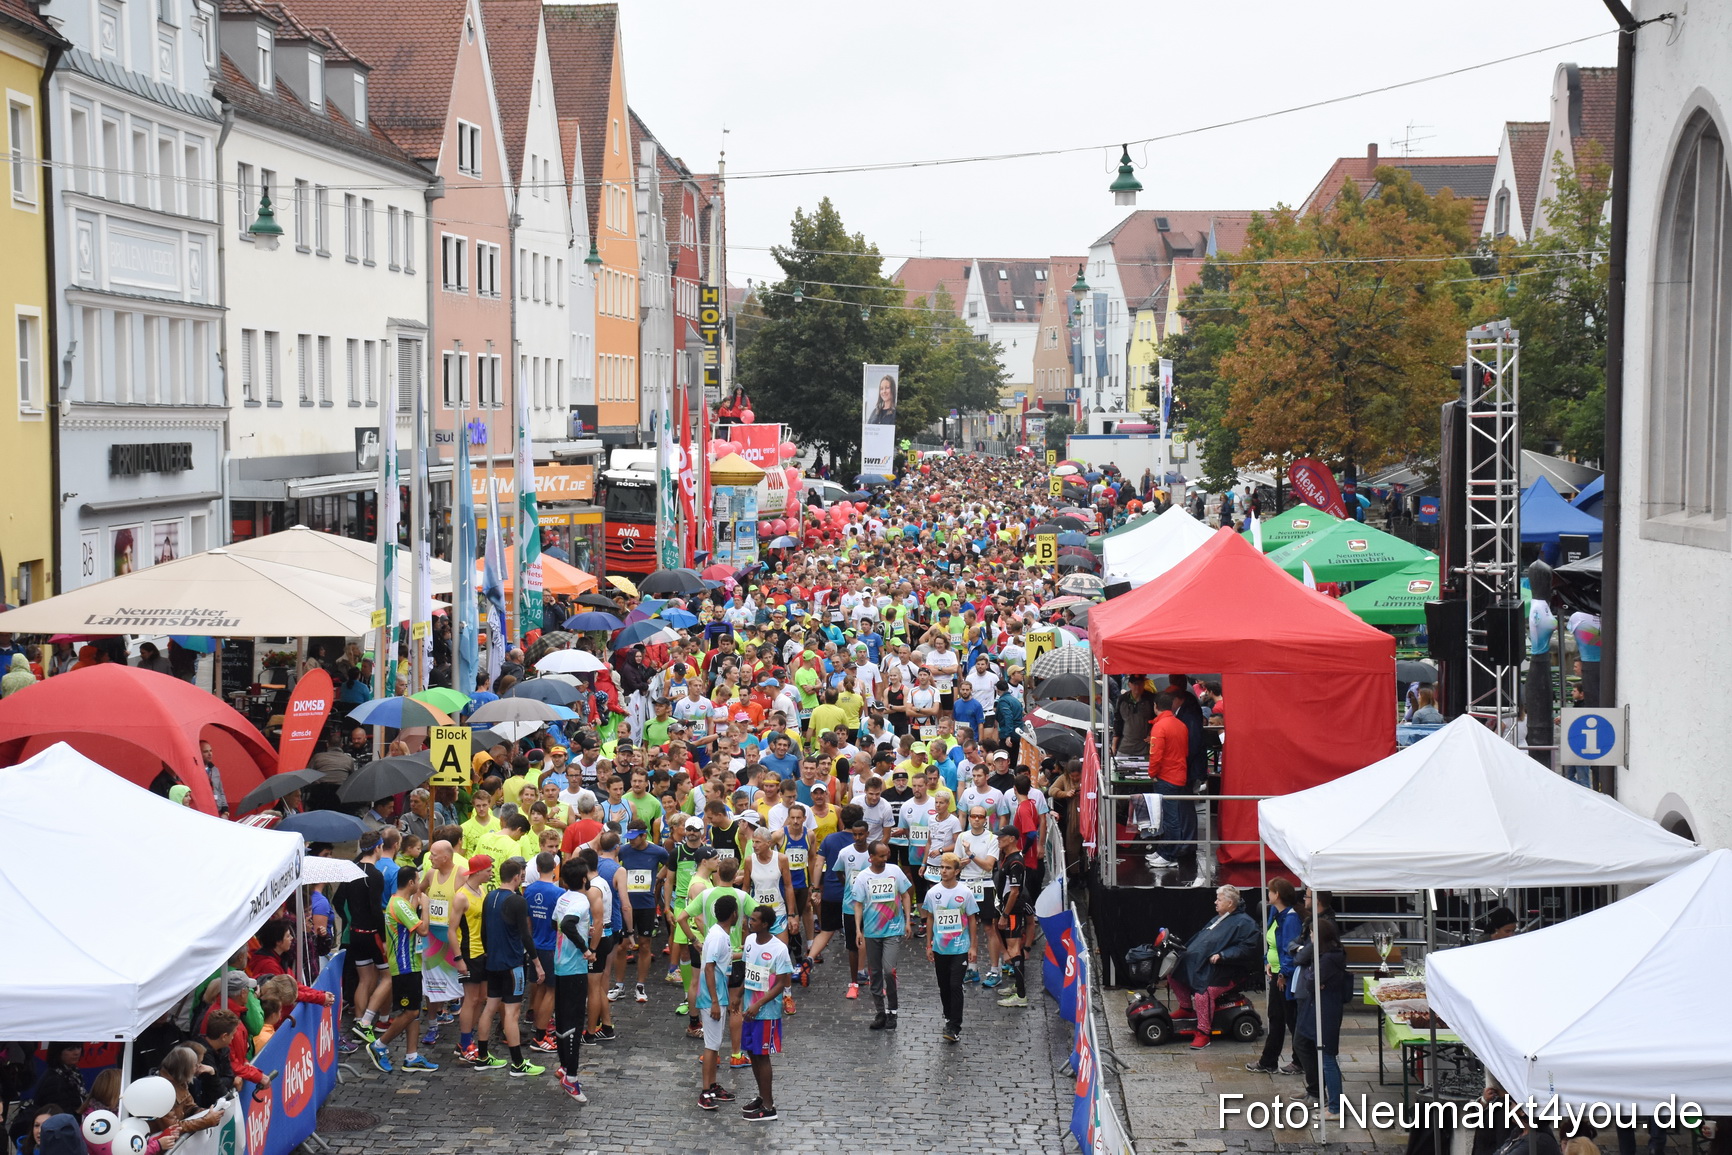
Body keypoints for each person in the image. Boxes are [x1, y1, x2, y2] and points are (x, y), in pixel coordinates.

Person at [475, 856, 545, 1075]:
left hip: (493, 962)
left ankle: (483, 1056)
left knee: (490, 1008)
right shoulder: (517, 901)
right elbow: (525, 935)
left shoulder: (489, 897)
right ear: (516, 877)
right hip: (513, 965)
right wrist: (537, 963)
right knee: (513, 1013)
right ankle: (517, 1063)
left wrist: (490, 951)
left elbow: (484, 931)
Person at [1169, 884, 1260, 1049]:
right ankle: (1186, 1008)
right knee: (1174, 973)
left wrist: (1223, 955)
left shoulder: (1246, 924)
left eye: (1219, 899)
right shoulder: (1220, 918)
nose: (1215, 902)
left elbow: (1247, 949)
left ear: (1230, 903)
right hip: (1206, 962)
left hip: (1229, 969)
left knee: (1203, 993)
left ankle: (1203, 1032)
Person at [367, 865, 438, 1072]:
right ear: (410, 883)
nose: (419, 884)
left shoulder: (399, 902)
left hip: (409, 964)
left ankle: (411, 1056)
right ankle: (379, 1045)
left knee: (413, 1013)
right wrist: (425, 905)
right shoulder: (400, 905)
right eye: (417, 880)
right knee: (411, 1012)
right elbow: (423, 930)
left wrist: (417, 900)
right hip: (405, 965)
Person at [551, 856, 602, 1103]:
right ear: (583, 879)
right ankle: (571, 1078)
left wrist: (584, 928)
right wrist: (586, 949)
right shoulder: (582, 901)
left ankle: (562, 1066)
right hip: (574, 969)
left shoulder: (563, 897)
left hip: (560, 966)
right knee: (573, 1023)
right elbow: (568, 925)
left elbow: (556, 924)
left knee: (561, 1020)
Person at [850, 839, 913, 1031]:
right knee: (874, 973)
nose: (885, 858)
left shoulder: (895, 871)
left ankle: (892, 1011)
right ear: (871, 857)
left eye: (887, 854)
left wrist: (908, 920)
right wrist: (858, 930)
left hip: (893, 929)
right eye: (881, 855)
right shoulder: (862, 877)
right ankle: (880, 1012)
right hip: (872, 931)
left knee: (889, 970)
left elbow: (905, 894)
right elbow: (858, 904)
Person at [737, 906, 793, 1122]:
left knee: (762, 1056)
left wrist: (758, 1004)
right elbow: (749, 971)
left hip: (766, 1012)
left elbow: (781, 984)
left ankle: (769, 1107)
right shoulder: (750, 941)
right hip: (749, 1010)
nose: (750, 922)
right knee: (752, 1053)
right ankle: (762, 1096)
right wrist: (739, 995)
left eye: (754, 920)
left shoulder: (779, 949)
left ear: (765, 924)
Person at [1293, 913, 1347, 1121]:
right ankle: (1318, 1093)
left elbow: (1310, 980)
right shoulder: (1326, 955)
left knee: (1327, 1058)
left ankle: (1334, 1107)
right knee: (1305, 1044)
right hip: (1317, 1006)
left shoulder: (1329, 957)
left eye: (1314, 933)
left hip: (1325, 1010)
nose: (1311, 936)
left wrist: (1312, 976)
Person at [1246, 877, 1303, 1075]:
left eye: (1270, 891)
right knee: (1276, 1017)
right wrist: (1266, 961)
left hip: (1284, 977)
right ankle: (1268, 1060)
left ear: (1277, 894)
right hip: (1275, 972)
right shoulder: (1275, 913)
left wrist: (1284, 974)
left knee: (1291, 1019)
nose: (1267, 894)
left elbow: (1290, 948)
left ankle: (1300, 1060)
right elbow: (1272, 943)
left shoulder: (1291, 918)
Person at [922, 851, 978, 1043]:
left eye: (947, 868)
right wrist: (929, 944)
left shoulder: (965, 893)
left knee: (955, 985)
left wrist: (973, 947)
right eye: (942, 867)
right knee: (943, 985)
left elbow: (972, 919)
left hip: (960, 947)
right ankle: (948, 1016)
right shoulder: (932, 893)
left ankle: (955, 1025)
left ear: (956, 871)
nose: (943, 871)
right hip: (940, 948)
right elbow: (930, 918)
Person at [695, 894, 740, 1113]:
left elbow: (722, 961)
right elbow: (710, 968)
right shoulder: (718, 936)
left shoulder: (719, 934)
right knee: (711, 1046)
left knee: (716, 1043)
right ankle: (705, 1092)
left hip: (718, 996)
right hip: (712, 997)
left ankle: (712, 1086)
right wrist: (714, 1001)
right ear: (734, 914)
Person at [992, 824, 1032, 1008]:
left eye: (1002, 836)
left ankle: (1021, 996)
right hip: (1007, 908)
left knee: (1014, 949)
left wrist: (1005, 915)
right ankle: (1017, 985)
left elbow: (1015, 892)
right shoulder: (1008, 858)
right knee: (1012, 948)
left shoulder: (1015, 862)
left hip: (1013, 910)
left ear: (1012, 839)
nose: (999, 839)